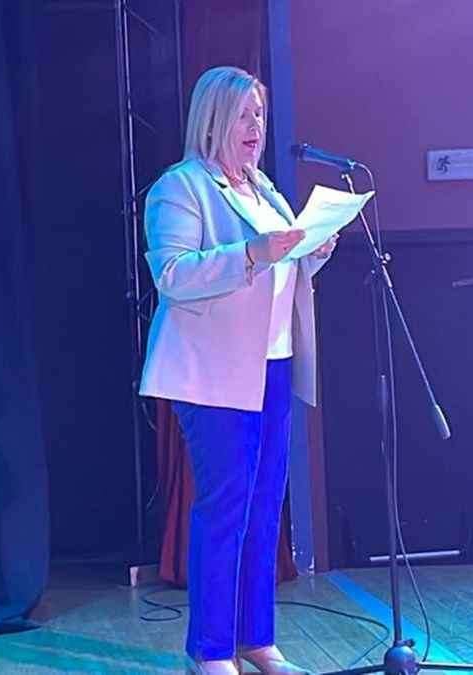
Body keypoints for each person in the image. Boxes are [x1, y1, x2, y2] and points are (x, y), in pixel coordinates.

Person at [139, 66, 337, 674]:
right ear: (214, 119)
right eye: (245, 115)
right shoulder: (180, 188)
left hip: (273, 365)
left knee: (264, 509)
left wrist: (312, 255)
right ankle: (211, 651)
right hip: (214, 376)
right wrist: (253, 252)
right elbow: (173, 276)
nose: (256, 128)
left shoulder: (265, 190)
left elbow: (277, 274)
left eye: (260, 115)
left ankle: (257, 640)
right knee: (225, 509)